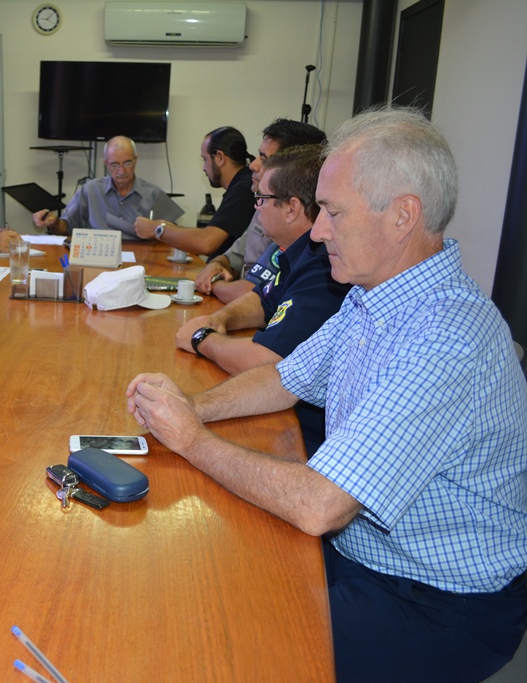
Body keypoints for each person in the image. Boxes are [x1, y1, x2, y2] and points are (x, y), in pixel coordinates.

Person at [126, 107, 527, 683]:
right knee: (196, 580)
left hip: (437, 601)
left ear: (402, 216)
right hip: (360, 552)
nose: (316, 231)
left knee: (219, 646)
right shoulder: (372, 296)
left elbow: (319, 505)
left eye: (333, 212)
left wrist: (191, 439)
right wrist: (193, 408)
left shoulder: (446, 338)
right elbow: (285, 377)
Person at [176, 145, 350, 454]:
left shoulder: (324, 265)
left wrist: (203, 338)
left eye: (261, 199)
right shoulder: (296, 252)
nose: (256, 208)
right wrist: (220, 319)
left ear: (291, 208)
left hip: (307, 437)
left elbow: (268, 362)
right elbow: (263, 299)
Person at [196, 119, 327, 303]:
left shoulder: (298, 228)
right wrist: (217, 264)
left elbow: (256, 296)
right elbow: (234, 257)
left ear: (290, 168)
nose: (252, 165)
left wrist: (214, 283)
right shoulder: (263, 206)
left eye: (264, 159)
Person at [133, 126, 254, 258]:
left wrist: (155, 230)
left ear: (220, 157)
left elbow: (206, 242)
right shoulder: (240, 185)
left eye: (205, 159)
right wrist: (168, 227)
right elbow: (209, 234)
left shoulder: (244, 189)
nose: (204, 168)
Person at [31, 136, 183, 240]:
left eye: (127, 163)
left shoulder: (154, 194)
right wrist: (53, 222)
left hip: (140, 261)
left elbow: (173, 238)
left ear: (136, 160)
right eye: (114, 165)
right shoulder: (90, 190)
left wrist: (157, 231)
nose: (122, 171)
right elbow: (65, 228)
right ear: (106, 164)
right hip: (98, 258)